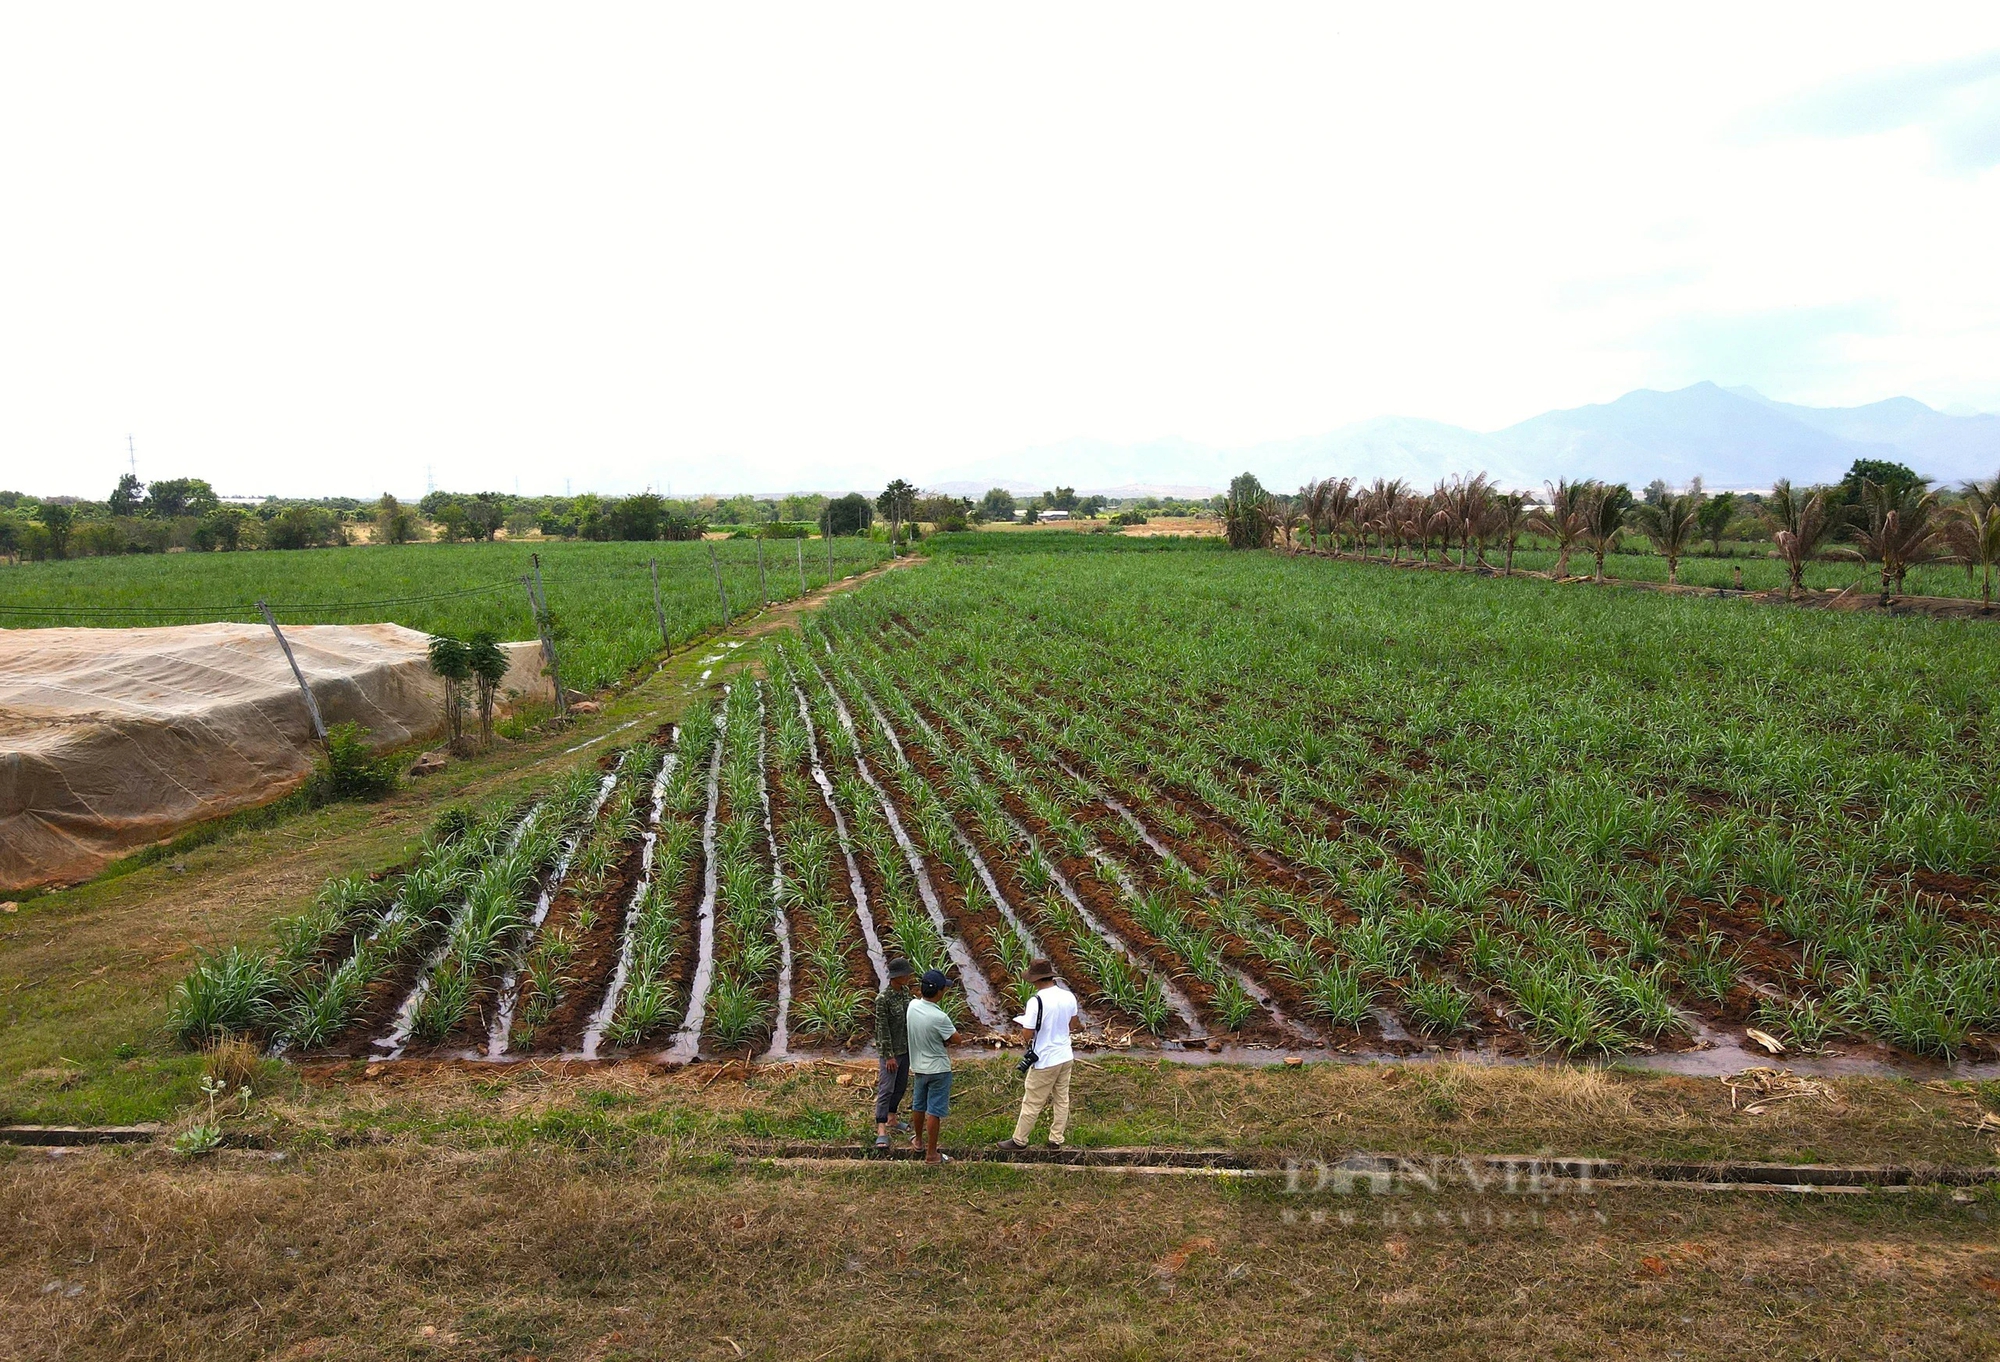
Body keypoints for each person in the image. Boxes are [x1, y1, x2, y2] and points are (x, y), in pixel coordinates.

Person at [995, 959, 1080, 1152]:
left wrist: (1026, 1030)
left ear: (1035, 980)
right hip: (1065, 1055)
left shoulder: (1036, 1001)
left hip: (1045, 1058)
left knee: (1033, 1100)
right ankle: (1056, 1139)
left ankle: (1019, 1140)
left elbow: (1027, 1034)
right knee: (1061, 1098)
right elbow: (1074, 1024)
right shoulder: (1068, 996)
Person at [905, 968, 958, 1165]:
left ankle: (918, 1141)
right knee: (934, 1111)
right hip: (939, 1069)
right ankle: (932, 1154)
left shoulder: (912, 1006)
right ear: (938, 992)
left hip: (919, 1067)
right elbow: (956, 1039)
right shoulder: (940, 1017)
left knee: (919, 1105)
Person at [872, 957, 919, 1151]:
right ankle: (881, 1129)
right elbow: (882, 1029)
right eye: (905, 974)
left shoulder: (906, 994)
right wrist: (889, 1056)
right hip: (891, 1052)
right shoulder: (883, 999)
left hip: (905, 1049)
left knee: (900, 1086)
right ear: (896, 977)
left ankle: (892, 1118)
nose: (908, 976)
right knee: (886, 1089)